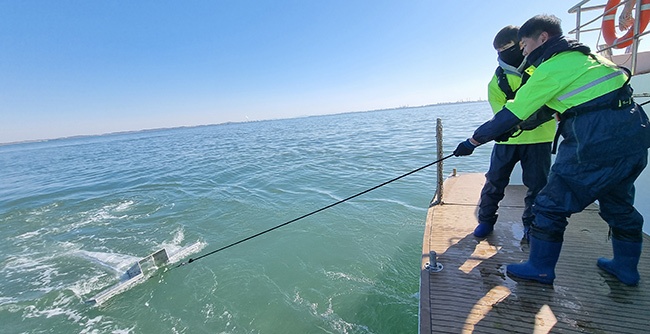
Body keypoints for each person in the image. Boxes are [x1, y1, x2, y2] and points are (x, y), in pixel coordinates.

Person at [453, 14, 650, 286]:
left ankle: (540, 268)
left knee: (548, 205)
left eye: (523, 46)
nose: (522, 52)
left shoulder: (550, 68)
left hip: (593, 140)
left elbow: (511, 114)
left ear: (542, 38)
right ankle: (626, 269)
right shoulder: (592, 58)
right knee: (619, 203)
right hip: (634, 133)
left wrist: (472, 142)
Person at [472, 25, 555, 240]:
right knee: (494, 183)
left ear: (522, 44)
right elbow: (502, 117)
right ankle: (486, 221)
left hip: (540, 140)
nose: (503, 54)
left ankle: (532, 226)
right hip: (506, 143)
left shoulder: (545, 68)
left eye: (509, 48)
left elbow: (551, 105)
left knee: (538, 187)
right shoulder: (497, 81)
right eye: (499, 51)